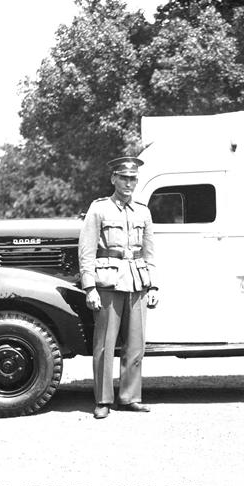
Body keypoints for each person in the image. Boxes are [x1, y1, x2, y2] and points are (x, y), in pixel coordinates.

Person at [78, 156, 159, 419]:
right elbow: (87, 250)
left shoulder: (143, 211)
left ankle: (130, 397)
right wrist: (90, 287)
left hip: (137, 282)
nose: (128, 183)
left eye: (133, 179)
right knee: (104, 344)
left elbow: (149, 252)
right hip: (108, 283)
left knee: (135, 345)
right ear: (113, 178)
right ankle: (103, 400)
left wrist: (153, 286)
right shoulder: (99, 208)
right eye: (123, 178)